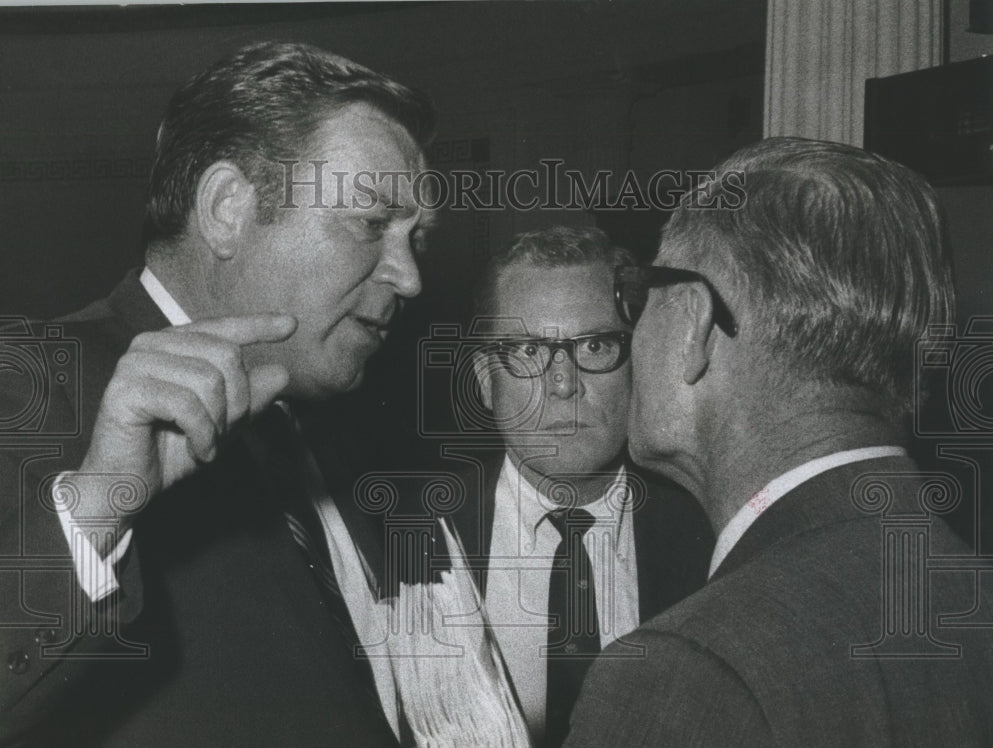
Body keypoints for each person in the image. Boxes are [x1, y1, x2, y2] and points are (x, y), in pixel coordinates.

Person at [0, 41, 435, 746]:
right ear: (229, 208)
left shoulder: (330, 437)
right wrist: (93, 513)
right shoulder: (26, 379)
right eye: (370, 223)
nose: (409, 276)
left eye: (417, 239)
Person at [565, 138, 993, 746]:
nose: (630, 334)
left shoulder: (690, 673)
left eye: (638, 297)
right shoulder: (975, 596)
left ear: (693, 324)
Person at [415, 226, 713, 747]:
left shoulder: (708, 532)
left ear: (637, 362)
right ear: (487, 379)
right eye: (530, 350)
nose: (563, 382)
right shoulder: (417, 535)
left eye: (594, 344)